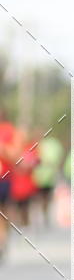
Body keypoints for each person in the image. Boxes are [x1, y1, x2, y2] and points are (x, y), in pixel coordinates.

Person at [32, 131, 64, 226]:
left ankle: (45, 215)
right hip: (38, 178)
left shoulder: (53, 144)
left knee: (46, 198)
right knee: (39, 198)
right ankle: (40, 215)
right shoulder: (37, 144)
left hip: (48, 177)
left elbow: (58, 158)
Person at [0, 109, 19, 259]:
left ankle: (2, 241)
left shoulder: (9, 131)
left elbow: (16, 155)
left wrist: (3, 148)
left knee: (2, 212)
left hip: (3, 178)